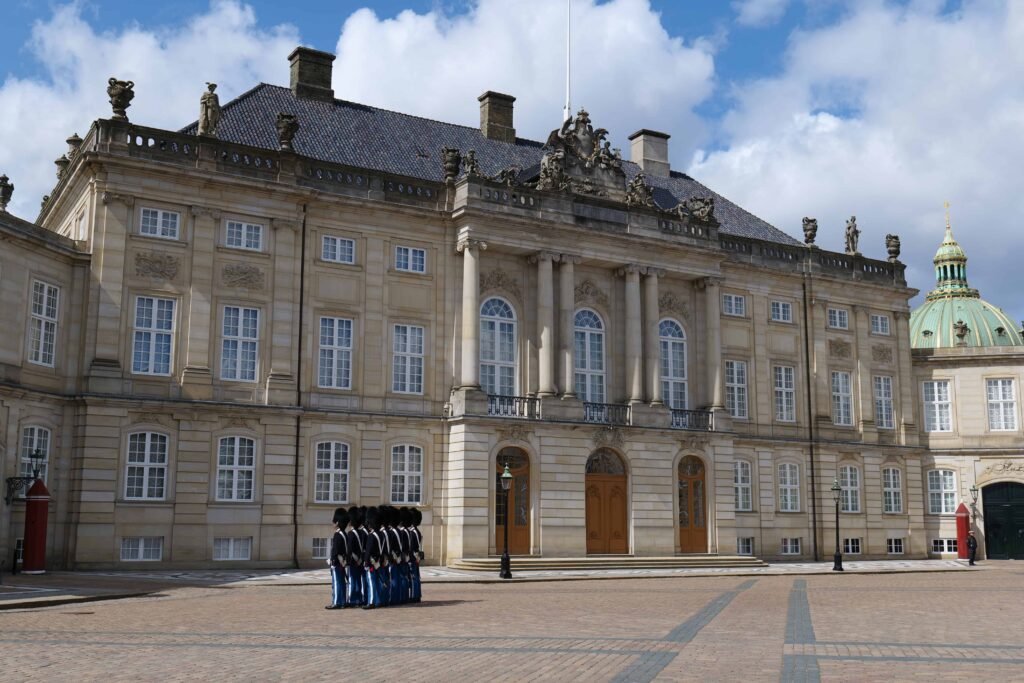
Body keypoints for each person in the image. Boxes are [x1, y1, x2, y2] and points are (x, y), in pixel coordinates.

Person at [325, 507, 349, 609]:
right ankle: (343, 601)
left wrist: (332, 561)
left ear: (337, 522)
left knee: (337, 583)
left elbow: (335, 550)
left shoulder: (338, 535)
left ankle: (336, 602)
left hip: (337, 563)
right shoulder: (345, 534)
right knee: (342, 582)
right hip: (342, 562)